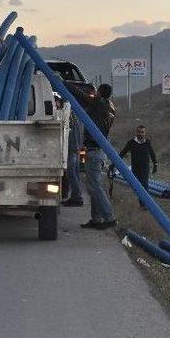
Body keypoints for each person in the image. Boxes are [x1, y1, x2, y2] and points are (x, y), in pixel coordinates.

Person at [63, 82, 116, 230]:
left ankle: (109, 216)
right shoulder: (109, 106)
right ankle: (97, 219)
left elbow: (80, 95)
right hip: (99, 149)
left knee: (94, 186)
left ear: (99, 92)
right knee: (95, 185)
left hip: (94, 149)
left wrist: (63, 82)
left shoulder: (98, 103)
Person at [111, 125, 158, 208]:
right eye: (139, 132)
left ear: (145, 133)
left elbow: (152, 153)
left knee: (144, 185)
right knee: (137, 186)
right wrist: (114, 164)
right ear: (136, 132)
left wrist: (155, 164)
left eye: (142, 132)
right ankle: (142, 203)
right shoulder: (131, 142)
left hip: (145, 167)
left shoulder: (147, 142)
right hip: (135, 168)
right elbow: (122, 153)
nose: (141, 134)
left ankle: (144, 205)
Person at [62, 111, 84, 207]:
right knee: (75, 173)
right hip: (77, 148)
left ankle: (77, 197)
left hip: (71, 148)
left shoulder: (70, 116)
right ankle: (75, 196)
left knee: (71, 173)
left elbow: (70, 133)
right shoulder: (78, 116)